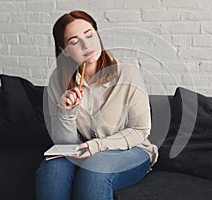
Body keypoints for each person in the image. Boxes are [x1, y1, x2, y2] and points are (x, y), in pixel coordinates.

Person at [35, 10, 158, 200]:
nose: (86, 44)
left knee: (95, 170)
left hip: (131, 149)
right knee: (51, 172)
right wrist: (67, 113)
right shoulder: (58, 81)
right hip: (83, 149)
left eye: (90, 34)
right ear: (64, 50)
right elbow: (65, 144)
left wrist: (97, 146)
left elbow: (140, 130)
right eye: (74, 41)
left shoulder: (127, 73)